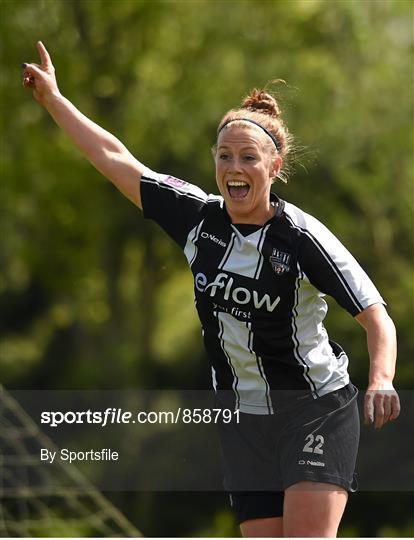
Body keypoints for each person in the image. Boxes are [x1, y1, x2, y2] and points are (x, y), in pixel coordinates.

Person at [23, 41, 401, 538]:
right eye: (225, 157)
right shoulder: (198, 220)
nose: (234, 168)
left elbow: (376, 316)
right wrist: (53, 98)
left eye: (248, 157)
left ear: (274, 166)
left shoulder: (302, 238)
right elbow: (115, 158)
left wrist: (381, 380)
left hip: (313, 410)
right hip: (242, 419)